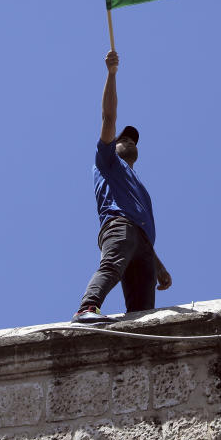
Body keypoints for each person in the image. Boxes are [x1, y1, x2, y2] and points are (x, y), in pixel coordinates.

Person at [72, 49, 172, 324]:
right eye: (123, 138)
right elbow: (108, 117)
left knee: (143, 314)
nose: (130, 140)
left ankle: (140, 342)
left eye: (134, 139)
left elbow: (140, 225)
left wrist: (158, 264)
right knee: (112, 266)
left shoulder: (138, 185)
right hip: (119, 226)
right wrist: (112, 74)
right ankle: (87, 308)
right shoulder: (107, 161)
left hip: (143, 244)